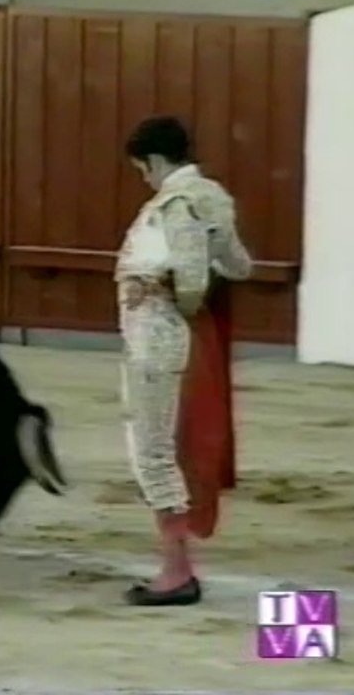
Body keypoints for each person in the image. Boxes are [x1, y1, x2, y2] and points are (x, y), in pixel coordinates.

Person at [114, 116, 253, 606]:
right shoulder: (213, 197)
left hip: (158, 335)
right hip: (171, 334)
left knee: (154, 450)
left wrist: (162, 291)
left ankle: (176, 573)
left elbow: (192, 280)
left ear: (153, 161)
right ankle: (177, 568)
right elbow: (240, 265)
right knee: (163, 446)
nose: (144, 180)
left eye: (142, 170)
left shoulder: (176, 202)